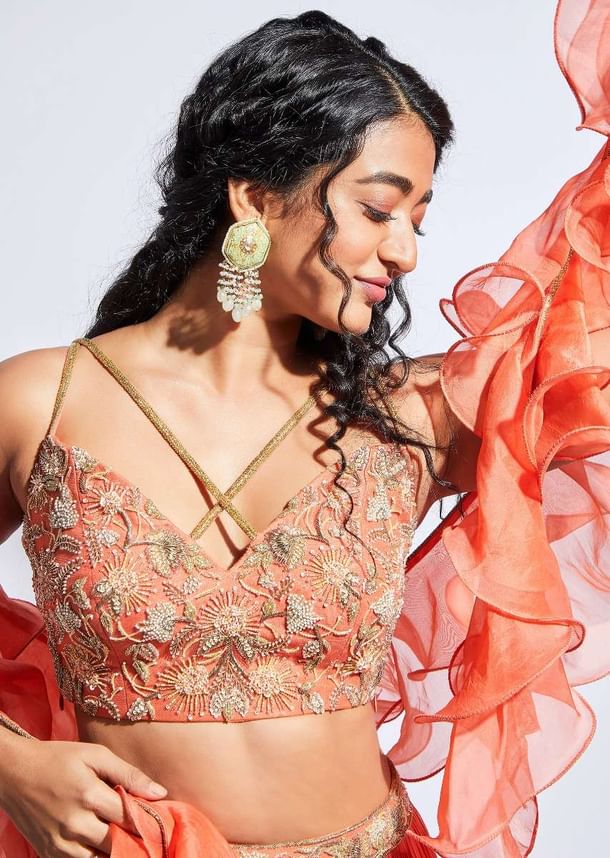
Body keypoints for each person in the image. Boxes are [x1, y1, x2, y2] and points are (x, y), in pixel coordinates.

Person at [0, 0, 609, 856]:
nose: (406, 253)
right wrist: (11, 764)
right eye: (378, 208)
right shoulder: (43, 401)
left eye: (420, 219)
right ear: (254, 197)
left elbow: (592, 307)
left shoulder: (412, 416)